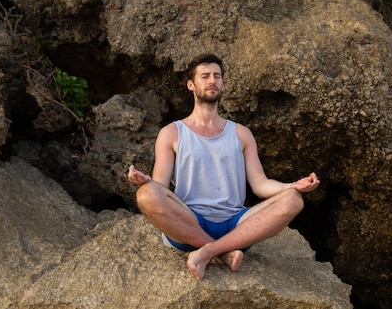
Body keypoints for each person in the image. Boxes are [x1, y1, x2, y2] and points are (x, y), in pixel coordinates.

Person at [128, 53, 320, 280]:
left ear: (223, 84)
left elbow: (260, 185)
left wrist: (292, 185)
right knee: (146, 195)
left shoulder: (241, 133)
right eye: (205, 76)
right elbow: (160, 186)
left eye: (217, 77)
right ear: (191, 84)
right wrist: (146, 182)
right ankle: (223, 252)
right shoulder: (172, 133)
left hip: (236, 226)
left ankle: (209, 251)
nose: (212, 81)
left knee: (293, 200)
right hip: (189, 221)